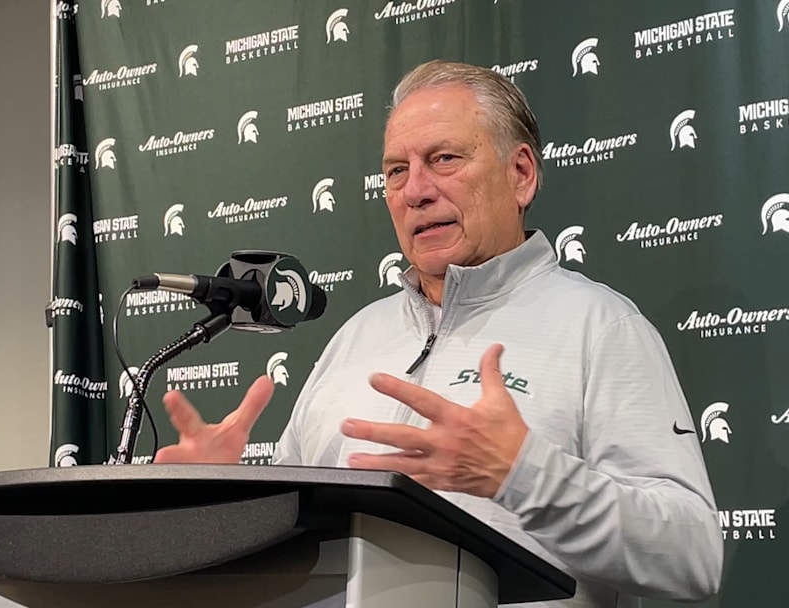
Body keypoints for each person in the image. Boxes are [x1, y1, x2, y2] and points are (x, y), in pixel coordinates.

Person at [154, 60, 723, 607]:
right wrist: (217, 505)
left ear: (520, 174)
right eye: (396, 170)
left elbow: (691, 555)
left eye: (444, 159)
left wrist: (522, 475)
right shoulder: (354, 338)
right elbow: (290, 554)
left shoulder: (601, 328)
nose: (415, 191)